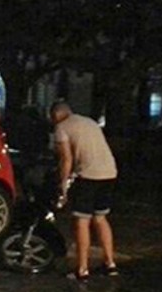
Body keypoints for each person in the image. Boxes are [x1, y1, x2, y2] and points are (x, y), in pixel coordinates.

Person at [49, 101, 119, 281]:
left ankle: (82, 269)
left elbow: (66, 159)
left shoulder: (62, 128)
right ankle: (110, 264)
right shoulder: (89, 122)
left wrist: (63, 184)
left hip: (88, 175)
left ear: (55, 116)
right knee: (101, 217)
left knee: (82, 221)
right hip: (109, 172)